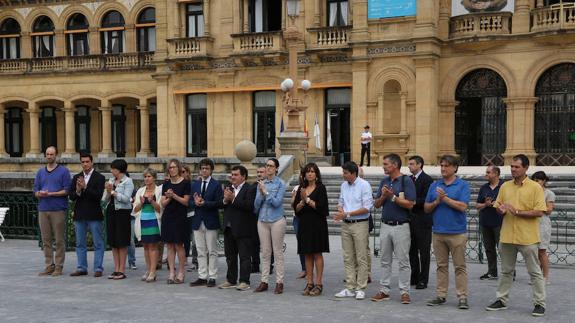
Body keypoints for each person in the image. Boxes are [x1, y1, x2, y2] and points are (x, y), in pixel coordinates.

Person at [485, 154, 547, 317]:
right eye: (511, 167)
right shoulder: (505, 186)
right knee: (506, 271)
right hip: (507, 236)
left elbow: (540, 211)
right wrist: (500, 210)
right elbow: (498, 206)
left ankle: (539, 303)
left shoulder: (535, 187)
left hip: (528, 237)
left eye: (516, 167)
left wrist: (517, 212)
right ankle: (501, 300)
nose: (513, 169)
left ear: (526, 168)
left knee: (534, 272)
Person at [424, 155, 471, 310]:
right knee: (441, 266)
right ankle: (441, 295)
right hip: (438, 232)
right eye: (442, 165)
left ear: (455, 168)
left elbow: (463, 206)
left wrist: (445, 199)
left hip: (457, 232)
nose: (443, 168)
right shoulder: (434, 185)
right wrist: (437, 201)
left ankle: (462, 297)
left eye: (447, 166)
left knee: (460, 266)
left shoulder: (462, 185)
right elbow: (426, 208)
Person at [370, 154, 416, 304]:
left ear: (395, 165)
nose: (383, 166)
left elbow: (410, 204)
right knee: (385, 260)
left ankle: (405, 292)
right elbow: (376, 205)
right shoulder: (384, 181)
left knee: (403, 261)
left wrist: (393, 197)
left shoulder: (406, 181)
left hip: (401, 226)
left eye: (385, 164)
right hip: (385, 225)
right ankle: (384, 290)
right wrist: (384, 196)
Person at [334, 161, 374, 300]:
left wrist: (347, 214)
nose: (343, 175)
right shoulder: (343, 185)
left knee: (361, 256)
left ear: (353, 173)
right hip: (345, 224)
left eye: (345, 173)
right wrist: (340, 211)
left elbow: (367, 207)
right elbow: (341, 202)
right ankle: (350, 286)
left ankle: (360, 287)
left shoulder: (364, 185)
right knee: (348, 256)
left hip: (360, 224)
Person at [217, 165, 257, 291]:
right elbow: (221, 204)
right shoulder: (228, 188)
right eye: (232, 174)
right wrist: (225, 200)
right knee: (230, 256)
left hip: (243, 228)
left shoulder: (250, 189)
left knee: (244, 257)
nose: (232, 177)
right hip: (229, 228)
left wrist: (233, 199)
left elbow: (249, 206)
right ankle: (231, 280)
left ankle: (245, 281)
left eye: (235, 175)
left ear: (243, 176)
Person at [293, 163, 330, 296]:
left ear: (316, 174)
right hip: (304, 224)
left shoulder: (321, 188)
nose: (310, 174)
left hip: (317, 224)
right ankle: (310, 282)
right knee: (307, 253)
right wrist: (302, 201)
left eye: (312, 172)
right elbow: (296, 210)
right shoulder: (301, 189)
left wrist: (307, 200)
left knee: (317, 253)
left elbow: (322, 208)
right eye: (307, 172)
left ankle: (319, 284)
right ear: (304, 174)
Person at [34, 146, 71, 276]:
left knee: (59, 240)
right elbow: (35, 191)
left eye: (52, 154)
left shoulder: (64, 171)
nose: (49, 156)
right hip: (43, 209)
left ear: (56, 155)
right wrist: (40, 193)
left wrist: (52, 194)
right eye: (47, 154)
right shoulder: (40, 172)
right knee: (46, 240)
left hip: (58, 209)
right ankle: (49, 265)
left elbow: (67, 190)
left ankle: (59, 266)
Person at [68, 153, 106, 277]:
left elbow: (98, 196)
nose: (85, 164)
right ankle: (81, 267)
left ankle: (98, 268)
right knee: (80, 243)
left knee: (98, 243)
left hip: (94, 214)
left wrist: (85, 187)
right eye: (83, 162)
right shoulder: (76, 177)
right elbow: (71, 196)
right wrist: (78, 190)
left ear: (92, 162)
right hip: (80, 214)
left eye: (87, 162)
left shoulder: (99, 177)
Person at [254, 158, 287, 294]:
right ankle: (264, 281)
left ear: (277, 168)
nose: (268, 168)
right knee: (265, 252)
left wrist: (266, 192)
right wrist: (261, 193)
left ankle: (279, 282)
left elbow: (277, 203)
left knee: (277, 251)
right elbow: (256, 206)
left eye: (271, 166)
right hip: (262, 219)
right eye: (267, 166)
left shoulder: (280, 183)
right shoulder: (261, 183)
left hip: (277, 220)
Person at [189, 158, 223, 288]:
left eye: (207, 168)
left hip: (211, 220)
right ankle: (202, 276)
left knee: (212, 250)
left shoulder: (216, 185)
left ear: (211, 170)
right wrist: (195, 203)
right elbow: (190, 202)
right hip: (197, 220)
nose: (204, 170)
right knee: (200, 250)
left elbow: (220, 203)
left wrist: (205, 203)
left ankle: (212, 276)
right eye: (202, 168)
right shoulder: (195, 184)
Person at [102, 159, 134, 280]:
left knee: (122, 240)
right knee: (113, 241)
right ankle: (116, 269)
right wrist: (107, 191)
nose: (111, 171)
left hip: (122, 212)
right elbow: (105, 199)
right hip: (111, 211)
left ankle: (122, 269)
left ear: (119, 169)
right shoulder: (110, 180)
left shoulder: (128, 181)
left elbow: (126, 199)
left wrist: (113, 192)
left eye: (113, 168)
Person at [160, 159, 191, 284]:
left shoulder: (185, 183)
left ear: (178, 168)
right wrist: (168, 197)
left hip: (180, 216)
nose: (172, 169)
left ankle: (181, 271)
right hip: (168, 216)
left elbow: (186, 202)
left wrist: (174, 196)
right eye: (170, 167)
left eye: (174, 167)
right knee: (169, 245)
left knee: (179, 244)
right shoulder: (166, 184)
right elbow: (163, 203)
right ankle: (172, 272)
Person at [407, 155, 434, 289]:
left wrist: (413, 202)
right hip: (410, 220)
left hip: (423, 220)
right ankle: (414, 276)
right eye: (409, 164)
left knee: (424, 252)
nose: (409, 166)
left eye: (412, 164)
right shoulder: (408, 179)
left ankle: (423, 279)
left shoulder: (427, 179)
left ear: (419, 165)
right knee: (411, 250)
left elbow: (427, 198)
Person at [133, 168, 163, 283]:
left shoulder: (159, 190)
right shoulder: (140, 191)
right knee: (145, 246)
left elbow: (160, 209)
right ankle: (148, 269)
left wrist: (152, 201)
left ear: (154, 177)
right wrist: (141, 202)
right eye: (145, 176)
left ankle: (153, 271)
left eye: (149, 176)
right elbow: (135, 209)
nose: (146, 179)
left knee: (153, 246)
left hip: (154, 221)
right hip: (142, 221)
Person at [476, 165, 503, 280]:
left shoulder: (504, 186)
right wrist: (485, 204)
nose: (486, 174)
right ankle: (492, 271)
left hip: (500, 222)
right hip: (485, 222)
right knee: (489, 248)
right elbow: (477, 205)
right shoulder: (484, 188)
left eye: (488, 172)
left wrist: (496, 204)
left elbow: (510, 203)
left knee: (503, 248)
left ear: (496, 174)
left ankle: (510, 271)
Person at [531, 171, 555, 284]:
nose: (536, 182)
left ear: (544, 181)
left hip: (543, 224)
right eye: (534, 180)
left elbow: (549, 209)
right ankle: (536, 276)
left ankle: (545, 277)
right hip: (532, 223)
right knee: (533, 251)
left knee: (542, 251)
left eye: (538, 180)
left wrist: (538, 208)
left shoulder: (549, 193)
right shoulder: (531, 193)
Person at [290, 172, 307, 279]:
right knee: (301, 243)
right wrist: (294, 198)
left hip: (308, 218)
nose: (301, 177)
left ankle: (310, 267)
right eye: (301, 174)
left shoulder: (312, 187)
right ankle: (304, 268)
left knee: (309, 243)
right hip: (297, 218)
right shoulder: (296, 188)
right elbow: (292, 205)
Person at [182, 165, 199, 271]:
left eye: (183, 171)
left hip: (192, 214)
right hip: (182, 215)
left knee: (195, 239)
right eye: (180, 172)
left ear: (188, 172)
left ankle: (195, 261)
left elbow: (194, 200)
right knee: (185, 238)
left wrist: (188, 203)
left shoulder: (193, 185)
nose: (182, 173)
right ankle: (184, 259)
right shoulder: (177, 184)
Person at [251, 165, 266, 273]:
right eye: (258, 172)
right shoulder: (253, 186)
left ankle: (269, 265)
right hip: (255, 216)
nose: (259, 174)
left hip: (267, 216)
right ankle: (255, 264)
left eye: (261, 172)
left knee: (267, 243)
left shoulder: (270, 185)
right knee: (254, 242)